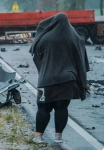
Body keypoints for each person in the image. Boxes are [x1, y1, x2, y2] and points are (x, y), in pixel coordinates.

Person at [29, 13, 90, 144]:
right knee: (62, 108)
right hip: (68, 78)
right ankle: (58, 136)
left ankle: (38, 136)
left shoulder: (46, 37)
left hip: (47, 79)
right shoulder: (74, 37)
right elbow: (81, 56)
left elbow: (35, 52)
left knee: (43, 107)